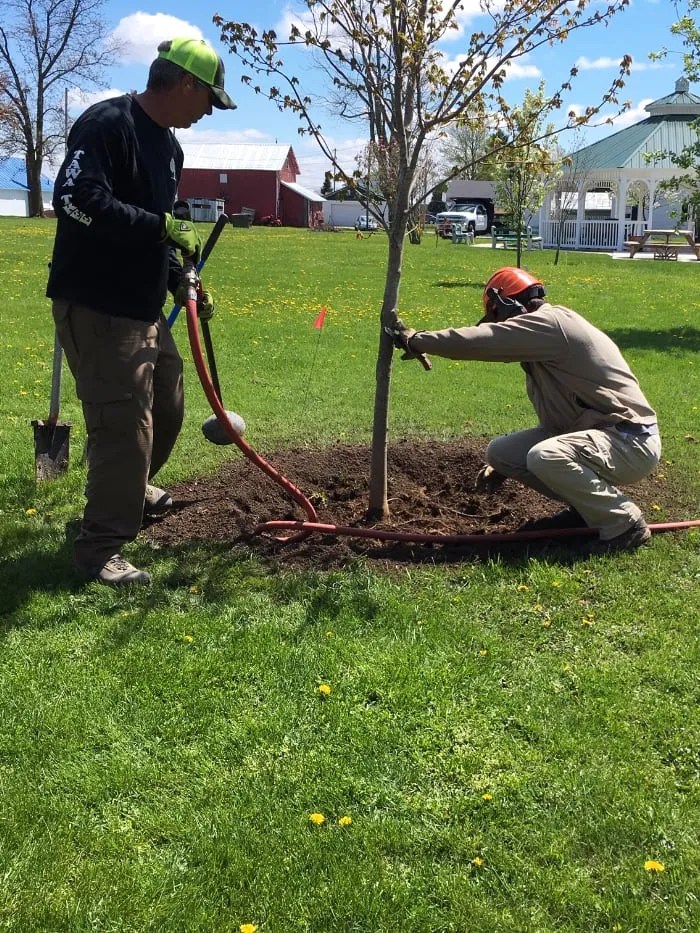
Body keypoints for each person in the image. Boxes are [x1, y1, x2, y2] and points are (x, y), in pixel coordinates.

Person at [46, 37, 236, 586]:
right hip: (99, 305)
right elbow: (76, 200)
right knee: (123, 427)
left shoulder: (169, 149)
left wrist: (181, 283)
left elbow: (161, 232)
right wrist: (160, 227)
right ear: (185, 85)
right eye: (208, 100)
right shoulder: (108, 124)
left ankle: (129, 488)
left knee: (169, 408)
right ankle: (99, 547)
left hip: (143, 307)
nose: (207, 114)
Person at [387, 266, 661, 553]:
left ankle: (624, 524)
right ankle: (587, 510)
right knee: (503, 453)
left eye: (497, 316)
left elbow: (485, 341)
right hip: (605, 434)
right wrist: (505, 469)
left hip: (630, 439)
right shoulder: (542, 341)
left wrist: (418, 339)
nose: (499, 325)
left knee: (545, 456)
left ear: (510, 303)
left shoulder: (551, 324)